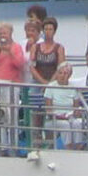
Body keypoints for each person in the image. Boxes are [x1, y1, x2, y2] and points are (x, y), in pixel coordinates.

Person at [0, 22, 27, 153]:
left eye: (5, 33)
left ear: (10, 33)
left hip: (12, 84)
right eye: (0, 33)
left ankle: (14, 146)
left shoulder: (16, 47)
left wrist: (10, 52)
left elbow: (20, 64)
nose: (2, 35)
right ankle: (1, 146)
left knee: (12, 116)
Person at [28, 16, 65, 148]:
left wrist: (50, 84)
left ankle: (50, 144)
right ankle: (36, 143)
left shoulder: (59, 48)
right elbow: (31, 66)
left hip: (53, 82)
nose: (48, 31)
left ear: (54, 31)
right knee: (36, 113)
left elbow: (61, 67)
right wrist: (42, 82)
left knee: (50, 114)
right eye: (46, 29)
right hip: (37, 82)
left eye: (50, 29)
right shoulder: (36, 47)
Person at [42, 63, 88, 149]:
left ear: (69, 75)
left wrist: (76, 113)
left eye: (65, 73)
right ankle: (68, 148)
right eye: (60, 73)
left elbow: (76, 108)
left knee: (77, 123)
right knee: (65, 124)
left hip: (70, 116)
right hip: (54, 118)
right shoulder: (51, 87)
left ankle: (78, 147)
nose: (62, 76)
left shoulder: (73, 88)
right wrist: (60, 116)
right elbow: (48, 110)